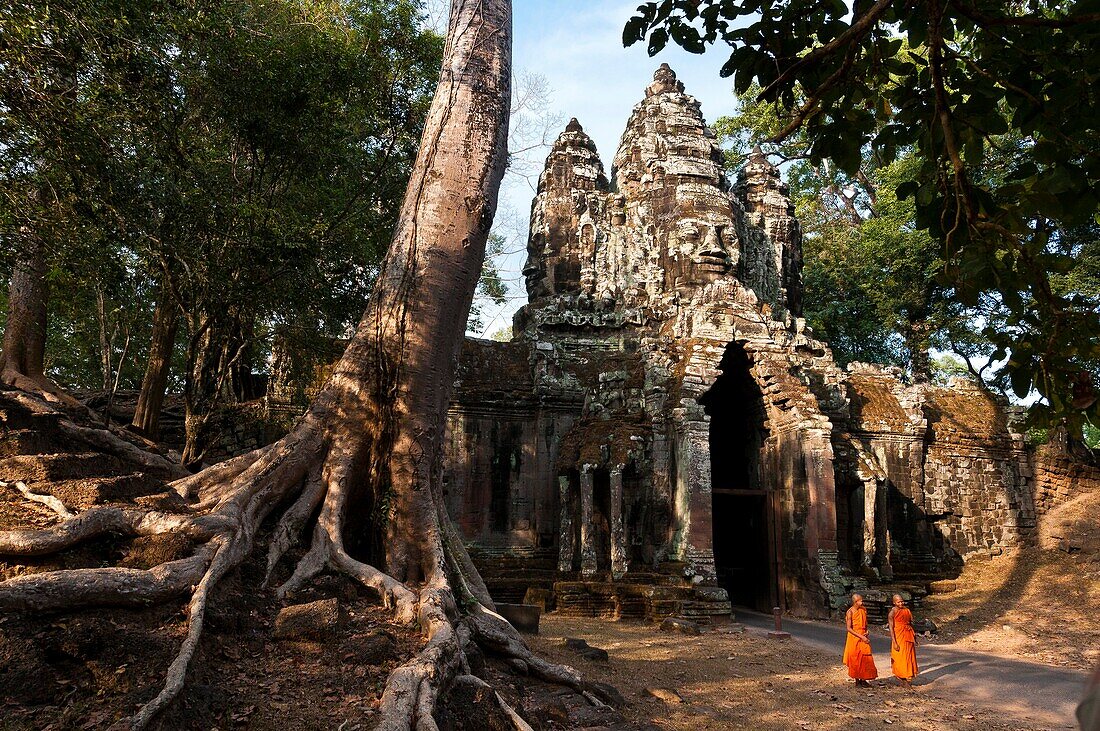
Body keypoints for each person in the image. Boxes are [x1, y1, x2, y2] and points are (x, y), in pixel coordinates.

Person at [843, 593, 878, 686]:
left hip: (863, 635)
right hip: (854, 637)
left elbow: (865, 623)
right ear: (855, 602)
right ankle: (857, 680)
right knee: (856, 659)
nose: (862, 602)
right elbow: (849, 628)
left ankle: (863, 679)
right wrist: (861, 636)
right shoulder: (850, 612)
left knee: (865, 657)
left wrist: (866, 631)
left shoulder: (863, 610)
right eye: (860, 600)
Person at [888, 593, 918, 688]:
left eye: (902, 601)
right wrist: (894, 642)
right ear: (894, 603)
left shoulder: (906, 610)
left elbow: (910, 623)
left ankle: (907, 677)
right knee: (900, 658)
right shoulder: (892, 613)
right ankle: (903, 679)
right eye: (898, 602)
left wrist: (915, 637)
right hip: (899, 636)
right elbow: (891, 628)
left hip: (908, 635)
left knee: (909, 657)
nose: (901, 603)